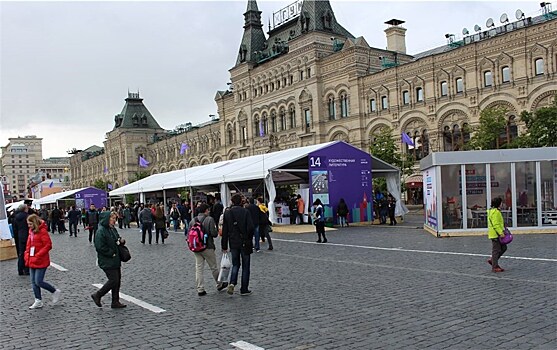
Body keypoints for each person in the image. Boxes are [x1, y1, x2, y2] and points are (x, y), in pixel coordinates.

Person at [189, 203, 227, 296]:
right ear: (206, 210)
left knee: (199, 268)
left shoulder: (193, 220)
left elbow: (188, 233)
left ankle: (200, 289)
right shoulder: (209, 219)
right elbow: (214, 234)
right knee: (213, 267)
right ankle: (219, 284)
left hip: (196, 247)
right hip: (208, 246)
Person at [24, 214, 61, 309]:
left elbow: (48, 245)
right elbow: (28, 245)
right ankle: (38, 300)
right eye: (28, 224)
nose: (29, 226)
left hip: (41, 260)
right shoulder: (31, 232)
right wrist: (26, 255)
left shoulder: (42, 231)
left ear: (35, 223)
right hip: (32, 259)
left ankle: (54, 291)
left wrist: (38, 255)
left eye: (30, 224)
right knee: (33, 282)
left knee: (38, 281)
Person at [91, 212, 127, 308]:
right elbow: (99, 246)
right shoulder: (101, 231)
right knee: (113, 280)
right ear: (107, 219)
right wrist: (111, 253)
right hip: (107, 259)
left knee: (117, 280)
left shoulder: (112, 229)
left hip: (115, 259)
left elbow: (117, 239)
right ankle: (98, 295)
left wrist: (121, 241)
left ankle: (115, 301)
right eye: (113, 219)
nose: (114, 221)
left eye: (115, 219)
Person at [222, 194, 254, 296]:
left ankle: (232, 282)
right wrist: (249, 238)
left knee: (235, 264)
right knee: (246, 266)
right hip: (244, 241)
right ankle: (244, 288)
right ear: (241, 201)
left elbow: (225, 230)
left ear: (232, 201)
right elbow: (250, 227)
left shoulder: (228, 213)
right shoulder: (245, 212)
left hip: (233, 242)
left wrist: (224, 245)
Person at [487, 197, 507, 273]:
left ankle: (493, 261)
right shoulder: (495, 212)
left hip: (495, 233)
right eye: (501, 203)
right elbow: (496, 224)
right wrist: (501, 233)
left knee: (503, 248)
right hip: (496, 234)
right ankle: (494, 266)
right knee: (496, 250)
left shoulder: (493, 211)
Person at [12, 204, 30, 275]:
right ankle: (26, 269)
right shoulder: (27, 216)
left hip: (20, 236)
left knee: (21, 253)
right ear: (25, 209)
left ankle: (20, 270)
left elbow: (14, 228)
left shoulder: (16, 217)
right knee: (27, 253)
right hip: (27, 236)